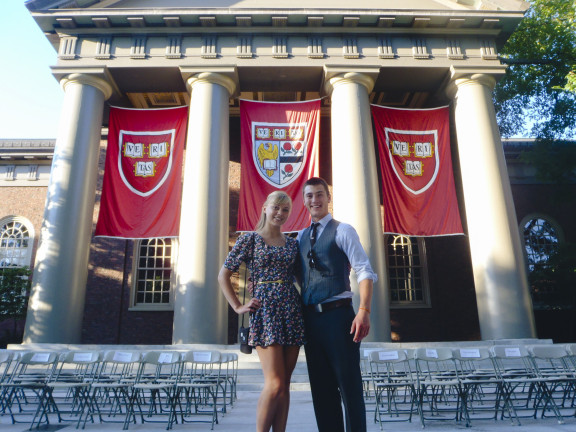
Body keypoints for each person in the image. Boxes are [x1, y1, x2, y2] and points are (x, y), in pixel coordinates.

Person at [218, 190, 305, 432]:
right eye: (276, 207)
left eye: (285, 209)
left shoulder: (292, 244)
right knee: (274, 383)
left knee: (285, 384)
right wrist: (237, 306)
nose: (280, 213)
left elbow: (302, 278)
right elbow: (223, 275)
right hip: (266, 312)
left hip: (291, 310)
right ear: (265, 208)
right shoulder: (249, 240)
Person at [297, 177, 376, 432]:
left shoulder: (343, 230)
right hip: (311, 320)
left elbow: (364, 270)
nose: (315, 200)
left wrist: (364, 310)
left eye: (319, 194)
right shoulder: (299, 237)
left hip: (339, 317)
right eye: (309, 196)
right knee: (321, 389)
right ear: (304, 200)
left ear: (328, 198)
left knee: (349, 385)